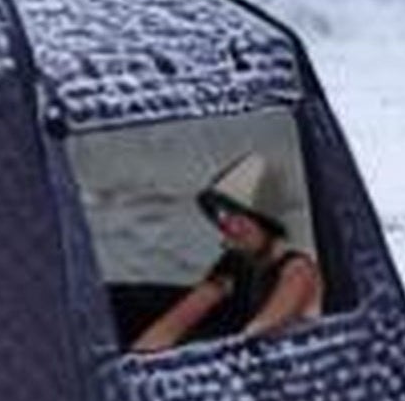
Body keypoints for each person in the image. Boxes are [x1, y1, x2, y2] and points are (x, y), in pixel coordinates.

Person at [130, 151, 324, 356]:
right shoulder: (236, 265)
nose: (229, 228)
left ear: (266, 222)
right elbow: (183, 315)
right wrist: (140, 359)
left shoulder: (298, 271)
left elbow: (256, 339)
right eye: (223, 217)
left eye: (240, 219)